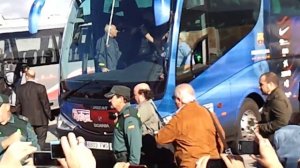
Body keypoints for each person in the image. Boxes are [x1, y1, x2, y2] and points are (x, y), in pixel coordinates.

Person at [155, 83, 225, 167]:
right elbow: (221, 136)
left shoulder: (179, 118)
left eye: (173, 98)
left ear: (178, 100)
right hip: (213, 162)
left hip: (192, 164)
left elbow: (160, 138)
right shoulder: (208, 112)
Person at [15, 69, 53, 150]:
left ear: (26, 76)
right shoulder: (40, 87)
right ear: (34, 76)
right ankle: (39, 155)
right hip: (41, 120)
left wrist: (18, 118)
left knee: (29, 140)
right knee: (41, 140)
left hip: (26, 120)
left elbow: (18, 106)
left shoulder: (19, 89)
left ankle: (31, 156)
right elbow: (45, 104)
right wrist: (50, 116)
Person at [104, 85, 142, 165]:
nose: (109, 100)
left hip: (125, 160)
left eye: (112, 97)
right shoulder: (123, 115)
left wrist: (133, 165)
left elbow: (134, 142)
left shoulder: (129, 118)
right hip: (120, 159)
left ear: (121, 99)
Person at [0, 93, 39, 158]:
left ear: (7, 107)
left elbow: (34, 145)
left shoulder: (22, 123)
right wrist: (5, 143)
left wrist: (33, 160)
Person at [256, 72, 292, 140]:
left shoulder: (277, 100)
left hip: (277, 140)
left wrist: (260, 127)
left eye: (261, 84)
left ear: (270, 85)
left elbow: (282, 122)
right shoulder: (273, 96)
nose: (259, 87)